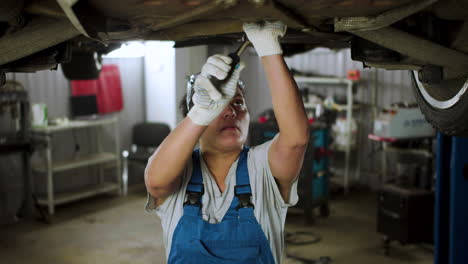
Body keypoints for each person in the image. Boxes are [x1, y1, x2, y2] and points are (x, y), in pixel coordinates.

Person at [144, 21, 309, 264]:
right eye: (219, 105)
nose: (231, 111)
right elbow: (155, 181)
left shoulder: (261, 166)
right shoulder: (179, 171)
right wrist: (201, 111)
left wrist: (268, 49)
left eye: (239, 103)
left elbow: (295, 140)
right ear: (194, 122)